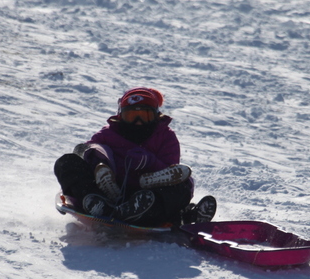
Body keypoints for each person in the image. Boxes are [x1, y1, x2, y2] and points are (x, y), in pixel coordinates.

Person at [54, 87, 217, 226]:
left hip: (145, 196)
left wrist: (150, 162)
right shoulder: (109, 134)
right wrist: (100, 161)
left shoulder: (165, 137)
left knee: (183, 184)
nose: (138, 122)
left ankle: (141, 211)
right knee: (67, 162)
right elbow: (83, 150)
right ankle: (95, 201)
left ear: (156, 116)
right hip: (108, 189)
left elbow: (171, 168)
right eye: (132, 117)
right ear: (120, 116)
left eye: (145, 116)